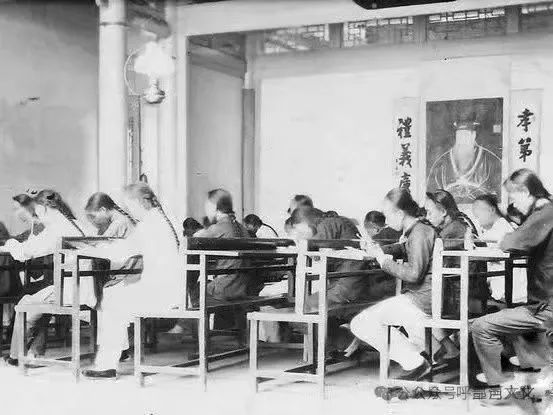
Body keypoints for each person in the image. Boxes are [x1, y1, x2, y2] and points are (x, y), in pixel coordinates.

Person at [81, 183, 181, 378]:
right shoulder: (164, 218)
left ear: (140, 202)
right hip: (173, 287)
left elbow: (122, 252)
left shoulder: (149, 225)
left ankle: (107, 364)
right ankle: (114, 357)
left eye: (130, 206)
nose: (129, 211)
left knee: (111, 296)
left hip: (161, 292)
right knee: (115, 294)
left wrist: (89, 250)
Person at [471, 169, 553, 393]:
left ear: (525, 191)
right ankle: (537, 380)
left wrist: (505, 238)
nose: (513, 204)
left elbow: (511, 242)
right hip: (542, 303)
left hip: (546, 307)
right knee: (519, 324)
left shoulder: (545, 212)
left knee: (480, 326)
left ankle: (499, 385)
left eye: (514, 197)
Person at [350, 188, 444, 380]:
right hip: (423, 297)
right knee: (371, 319)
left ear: (400, 213)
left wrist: (383, 261)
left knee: (360, 323)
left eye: (387, 215)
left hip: (421, 300)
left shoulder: (420, 233)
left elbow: (414, 274)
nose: (385, 220)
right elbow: (402, 248)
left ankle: (415, 362)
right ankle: (422, 358)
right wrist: (378, 251)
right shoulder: (418, 230)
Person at [2, 190, 94, 366]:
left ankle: (16, 356)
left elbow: (24, 253)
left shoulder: (55, 229)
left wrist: (10, 243)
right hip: (91, 288)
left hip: (71, 293)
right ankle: (30, 353)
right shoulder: (78, 224)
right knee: (40, 297)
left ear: (43, 208)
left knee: (25, 303)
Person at [194, 189, 255, 301]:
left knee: (194, 289)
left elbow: (194, 241)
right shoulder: (242, 229)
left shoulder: (218, 228)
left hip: (225, 289)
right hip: (242, 287)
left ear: (214, 207)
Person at [427, 119, 502, 203]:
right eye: (459, 136)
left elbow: (499, 193)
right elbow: (432, 195)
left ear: (473, 135)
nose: (462, 141)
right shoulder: (442, 164)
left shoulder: (491, 161)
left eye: (466, 135)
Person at [471, 194, 521, 302]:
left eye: (478, 216)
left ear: (491, 210)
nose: (478, 221)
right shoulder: (505, 225)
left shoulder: (500, 228)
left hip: (506, 289)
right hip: (511, 286)